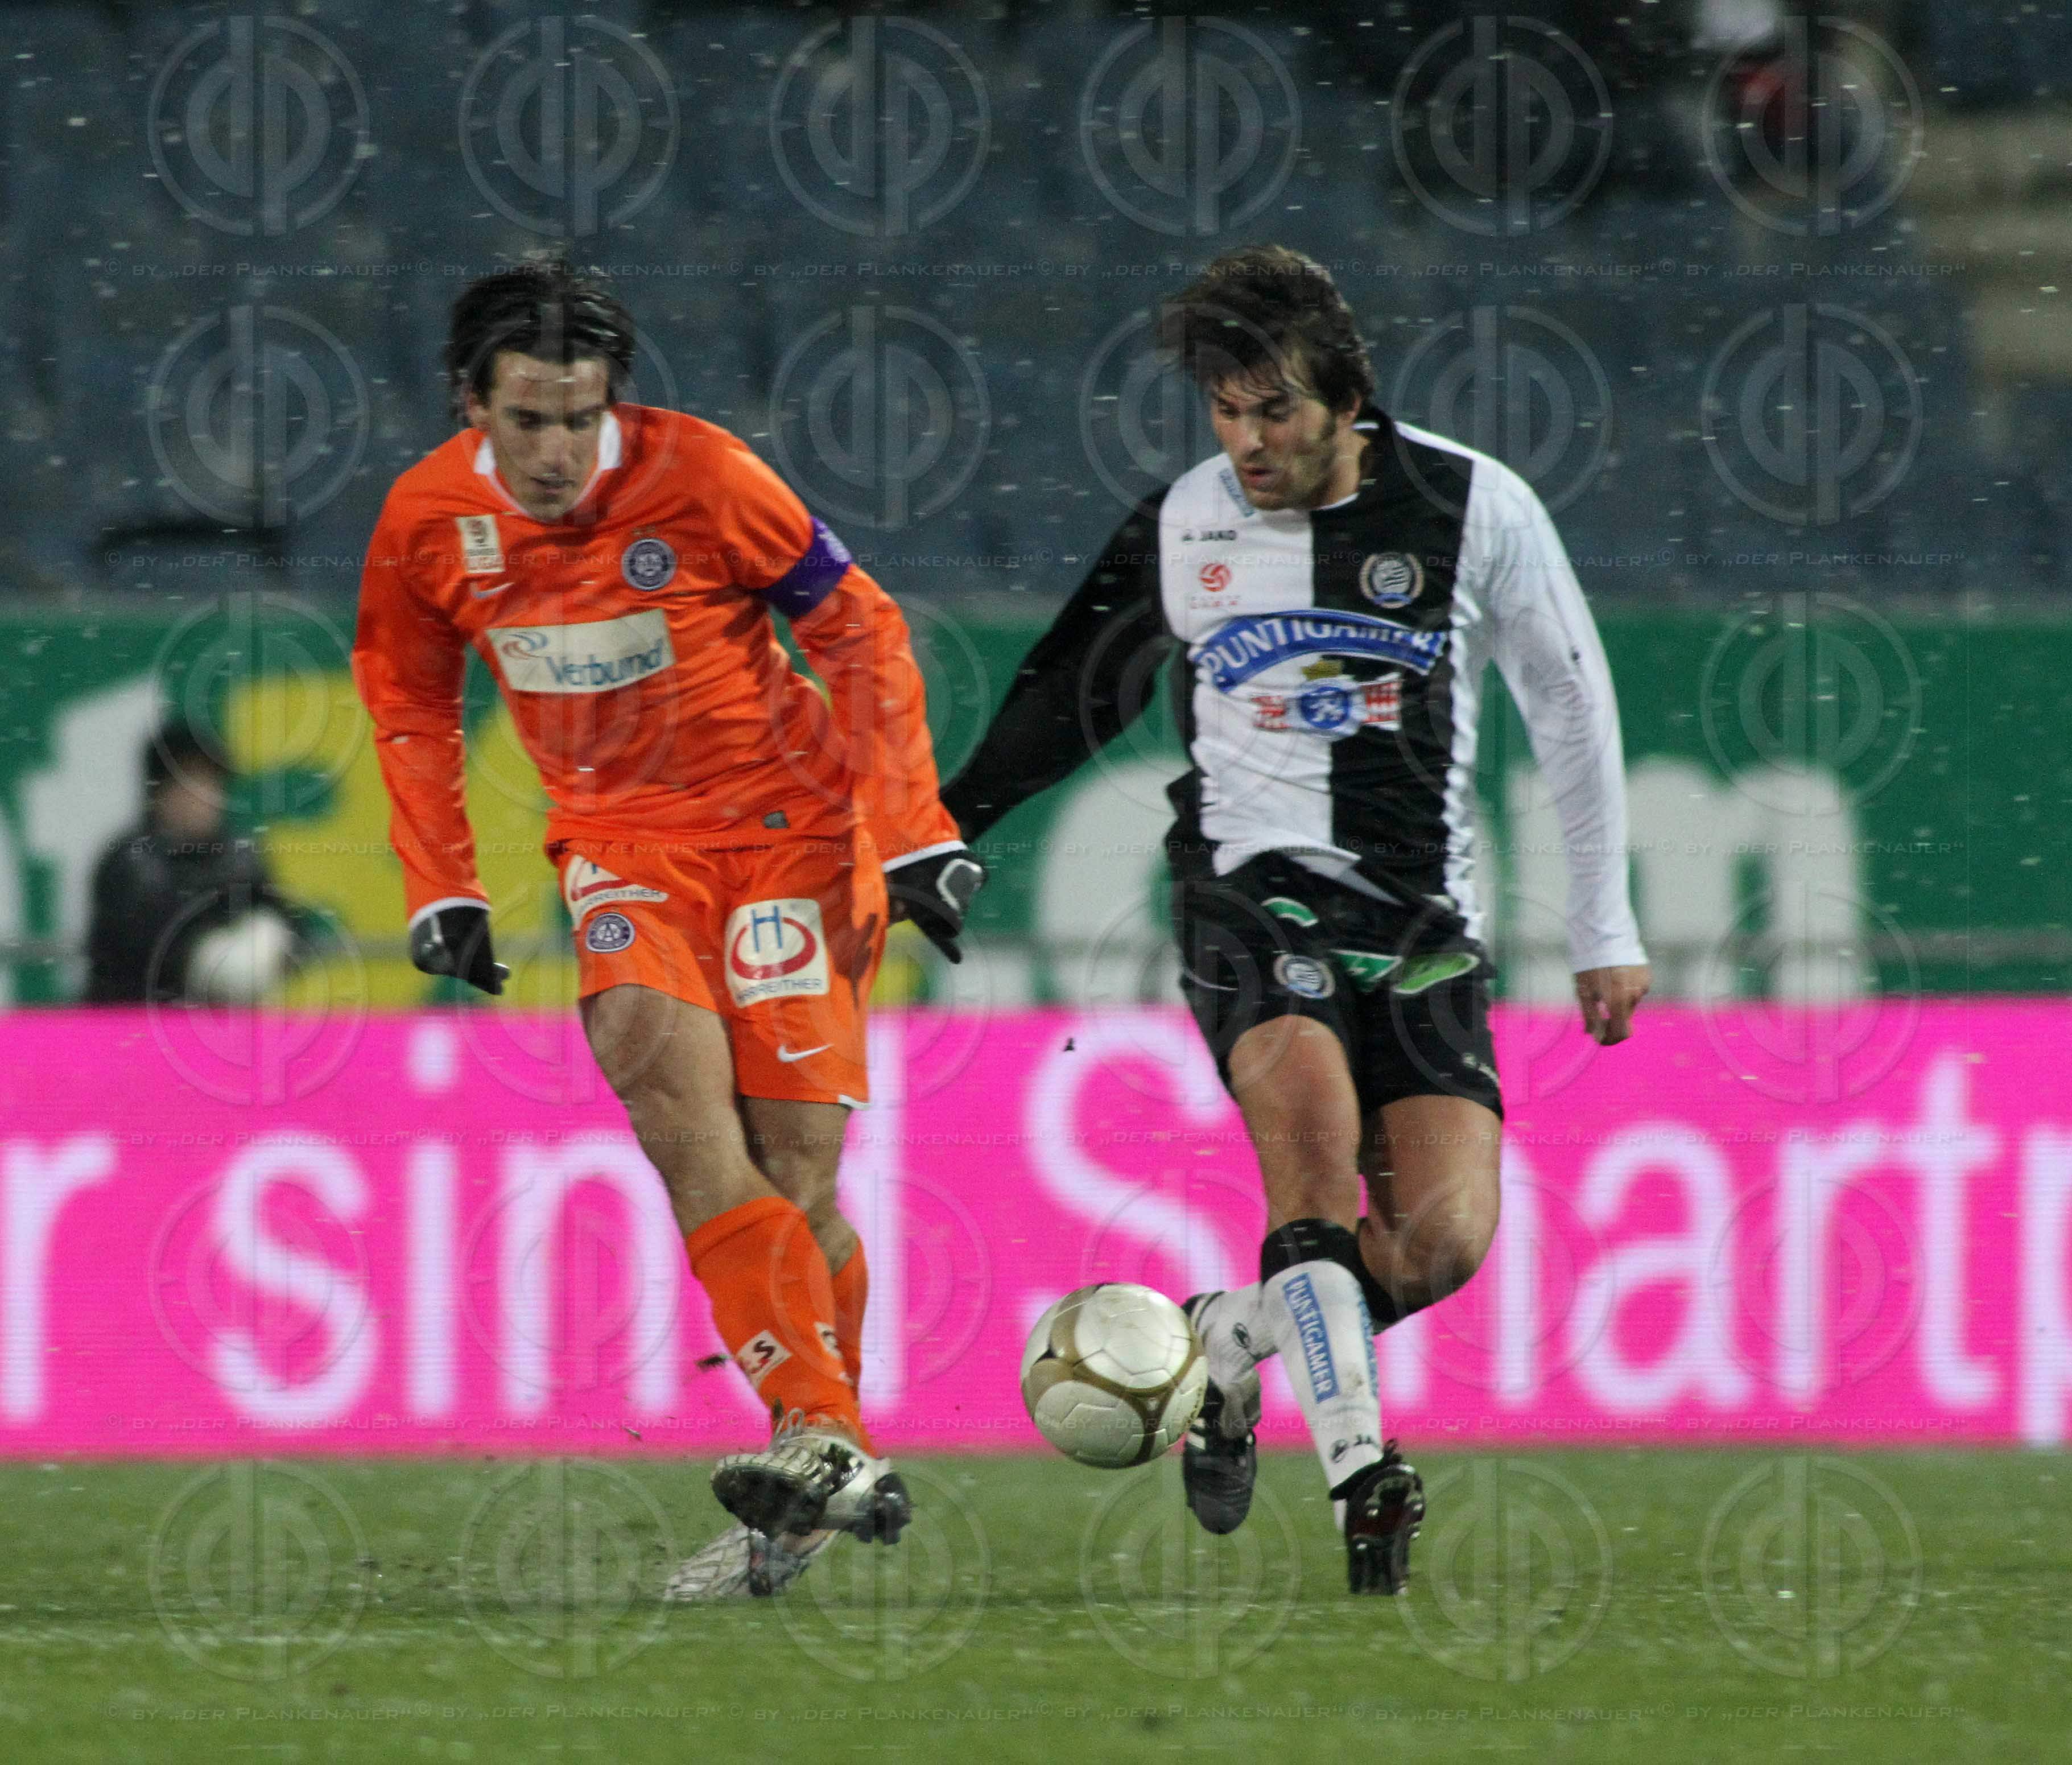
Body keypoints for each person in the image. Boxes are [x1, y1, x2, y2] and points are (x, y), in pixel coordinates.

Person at [942, 246, 1649, 1594]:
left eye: (1275, 412)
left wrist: (1602, 924)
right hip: (1246, 898)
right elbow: (1073, 692)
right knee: (1314, 1175)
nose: (1247, 443)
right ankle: (1361, 1477)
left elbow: (1569, 701)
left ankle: (1225, 1339)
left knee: (1441, 1243)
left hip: (1423, 920)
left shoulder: (1474, 506)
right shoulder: (1185, 524)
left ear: (1348, 404)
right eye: (1226, 411)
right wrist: (949, 823)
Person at [352, 258, 984, 1600]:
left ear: (612, 403)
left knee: (794, 1173)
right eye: (527, 419)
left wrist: (915, 827)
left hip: (788, 835)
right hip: (621, 848)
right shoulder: (425, 521)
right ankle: (821, 1436)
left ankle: (812, 1474)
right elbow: (406, 698)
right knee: (681, 1120)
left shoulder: (707, 477)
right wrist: (441, 884)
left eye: (579, 418)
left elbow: (859, 629)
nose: (555, 450)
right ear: (471, 405)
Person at [85, 717, 302, 1005]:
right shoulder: (131, 861)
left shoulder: (240, 857)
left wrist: (269, 939)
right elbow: (145, 947)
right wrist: (210, 956)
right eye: (191, 783)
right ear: (160, 792)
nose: (205, 798)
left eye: (213, 783)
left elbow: (290, 928)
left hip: (223, 1024)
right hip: (133, 1019)